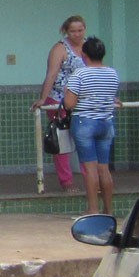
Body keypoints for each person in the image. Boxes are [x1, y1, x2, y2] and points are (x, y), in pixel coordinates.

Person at [63, 36, 122, 217]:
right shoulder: (112, 73)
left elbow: (69, 104)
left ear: (84, 54)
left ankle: (93, 209)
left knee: (90, 169)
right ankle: (108, 210)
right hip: (106, 123)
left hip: (84, 123)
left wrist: (67, 93)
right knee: (104, 169)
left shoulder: (80, 74)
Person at [33, 14, 88, 193]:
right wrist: (43, 98)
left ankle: (91, 180)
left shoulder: (89, 46)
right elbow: (52, 74)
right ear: (66, 31)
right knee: (62, 142)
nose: (77, 34)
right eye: (73, 31)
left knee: (85, 140)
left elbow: (97, 71)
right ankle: (67, 182)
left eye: (80, 30)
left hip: (83, 101)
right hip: (59, 99)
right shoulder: (60, 48)